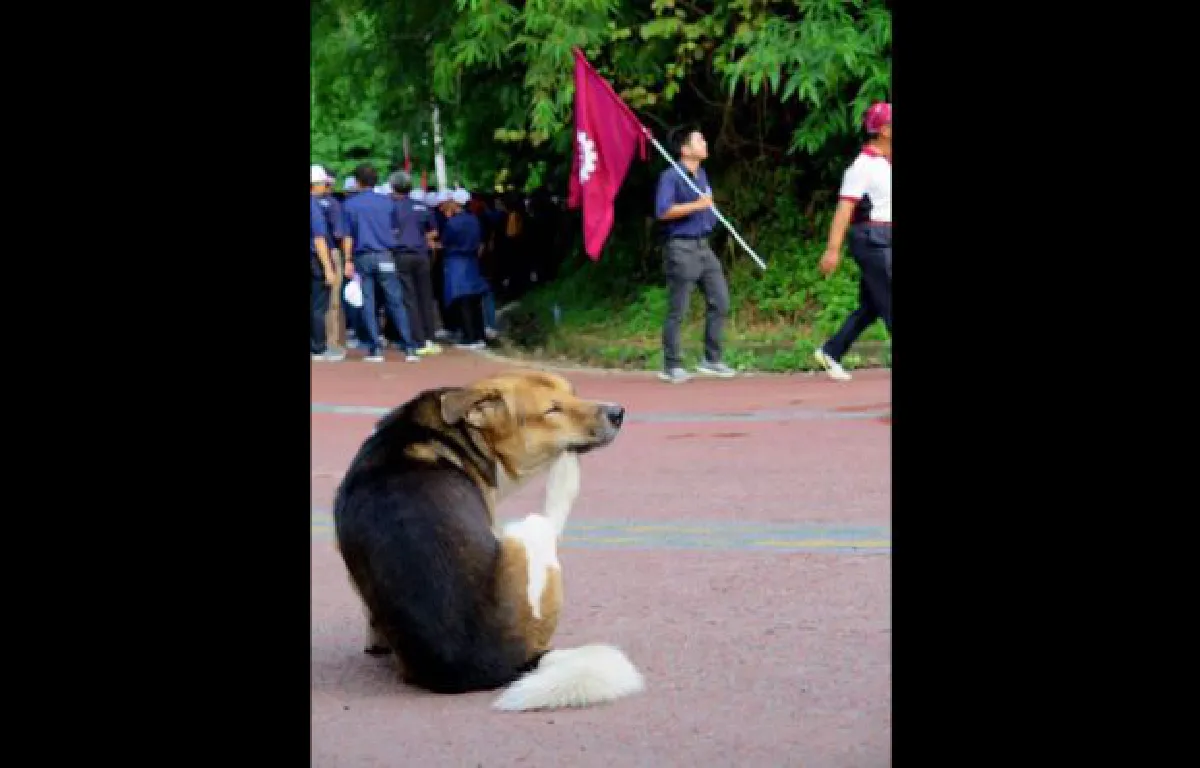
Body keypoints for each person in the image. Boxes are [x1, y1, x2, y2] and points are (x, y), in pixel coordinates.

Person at [814, 102, 892, 382]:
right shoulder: (862, 167)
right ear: (884, 131)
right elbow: (844, 209)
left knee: (872, 305)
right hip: (871, 239)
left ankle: (831, 351)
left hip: (886, 236)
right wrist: (832, 249)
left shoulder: (886, 164)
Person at [654, 127, 735, 383]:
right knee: (678, 308)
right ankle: (672, 365)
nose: (705, 142)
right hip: (681, 247)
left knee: (720, 301)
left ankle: (711, 359)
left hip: (704, 246)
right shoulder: (671, 177)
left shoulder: (701, 174)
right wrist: (697, 206)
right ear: (685, 149)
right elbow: (663, 211)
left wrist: (706, 211)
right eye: (699, 140)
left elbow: (706, 207)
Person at [341, 164, 419, 363]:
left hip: (363, 256)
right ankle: (409, 347)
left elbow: (348, 236)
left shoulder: (350, 204)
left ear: (358, 182)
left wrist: (347, 260)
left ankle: (375, 348)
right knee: (395, 300)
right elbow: (394, 229)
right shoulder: (388, 203)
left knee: (368, 301)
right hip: (386, 255)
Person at [388, 171, 443, 356]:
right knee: (426, 297)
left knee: (409, 299)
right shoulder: (422, 206)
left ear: (393, 187)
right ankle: (430, 337)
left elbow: (391, 232)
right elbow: (434, 232)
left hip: (402, 255)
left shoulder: (392, 208)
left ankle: (418, 341)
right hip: (422, 254)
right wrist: (419, 237)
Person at [439, 188, 490, 349]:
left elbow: (445, 241)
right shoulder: (474, 220)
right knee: (474, 299)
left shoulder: (452, 223)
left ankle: (469, 337)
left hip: (457, 261)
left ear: (455, 203)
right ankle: (479, 335)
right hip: (472, 261)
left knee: (462, 299)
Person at [312, 165, 347, 353]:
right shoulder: (324, 205)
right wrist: (329, 266)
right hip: (322, 254)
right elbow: (324, 237)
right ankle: (325, 344)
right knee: (325, 304)